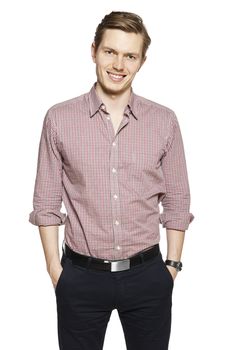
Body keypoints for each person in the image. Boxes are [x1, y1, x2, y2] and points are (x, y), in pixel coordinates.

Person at [29, 11, 194, 350]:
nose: (119, 64)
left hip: (148, 275)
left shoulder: (164, 121)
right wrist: (55, 270)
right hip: (79, 276)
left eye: (129, 55)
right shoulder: (59, 119)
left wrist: (171, 268)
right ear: (94, 51)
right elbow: (46, 203)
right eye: (110, 52)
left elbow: (177, 198)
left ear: (141, 61)